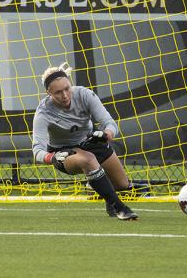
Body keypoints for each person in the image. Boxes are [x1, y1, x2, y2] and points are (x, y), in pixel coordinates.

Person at [32, 62, 138, 220]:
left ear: (71, 84)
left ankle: (96, 181)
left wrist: (106, 134)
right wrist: (52, 158)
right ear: (49, 93)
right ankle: (120, 208)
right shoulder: (43, 113)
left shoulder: (84, 94)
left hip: (91, 143)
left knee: (122, 185)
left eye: (67, 89)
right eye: (58, 92)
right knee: (88, 160)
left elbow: (110, 124)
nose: (65, 95)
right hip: (64, 152)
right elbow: (37, 152)